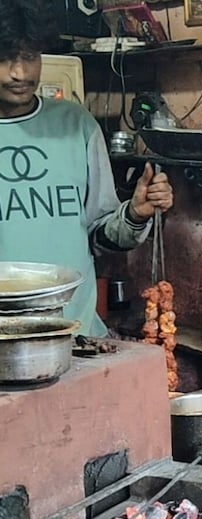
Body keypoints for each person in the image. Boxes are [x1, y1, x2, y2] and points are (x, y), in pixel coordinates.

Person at [0, 0, 173, 337]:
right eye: (5, 58)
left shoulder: (77, 126)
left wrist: (136, 214)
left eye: (29, 56)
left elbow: (98, 236)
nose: (20, 72)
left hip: (78, 337)